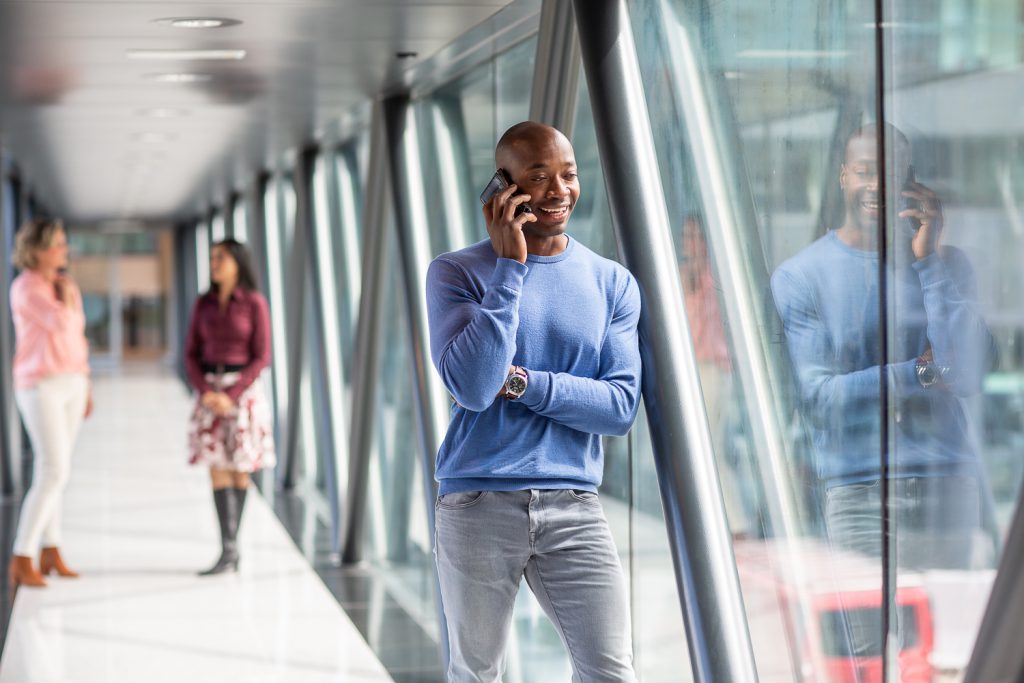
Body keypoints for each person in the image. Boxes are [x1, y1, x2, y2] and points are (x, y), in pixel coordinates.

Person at [425, 121, 642, 682]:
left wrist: (522, 382)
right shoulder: (455, 273)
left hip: (574, 504)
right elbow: (475, 386)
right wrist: (509, 269)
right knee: (477, 672)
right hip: (478, 500)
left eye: (569, 174)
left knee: (611, 671)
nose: (558, 190)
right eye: (539, 176)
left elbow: (619, 407)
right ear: (505, 186)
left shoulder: (612, 282)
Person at [771, 123, 998, 571]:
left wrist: (928, 261)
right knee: (866, 620)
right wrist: (920, 373)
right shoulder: (801, 276)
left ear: (910, 182)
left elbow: (970, 372)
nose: (876, 185)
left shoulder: (945, 264)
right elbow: (819, 399)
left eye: (891, 173)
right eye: (864, 172)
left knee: (947, 621)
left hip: (947, 486)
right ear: (843, 176)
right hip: (859, 494)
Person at [8, 218, 93, 589]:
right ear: (38, 250)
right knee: (53, 469)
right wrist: (67, 298)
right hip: (40, 385)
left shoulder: (65, 284)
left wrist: (86, 382)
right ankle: (22, 555)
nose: (63, 250)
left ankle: (51, 549)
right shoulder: (26, 287)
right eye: (57, 244)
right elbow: (60, 323)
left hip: (73, 381)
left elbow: (78, 337)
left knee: (60, 471)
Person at [184, 239, 275, 576]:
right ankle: (228, 548)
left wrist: (232, 394)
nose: (214, 263)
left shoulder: (253, 303)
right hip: (210, 391)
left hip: (242, 393)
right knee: (216, 466)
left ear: (238, 263)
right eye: (212, 257)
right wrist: (207, 391)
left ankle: (232, 546)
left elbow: (262, 356)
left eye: (221, 257)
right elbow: (190, 353)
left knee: (240, 467)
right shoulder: (203, 303)